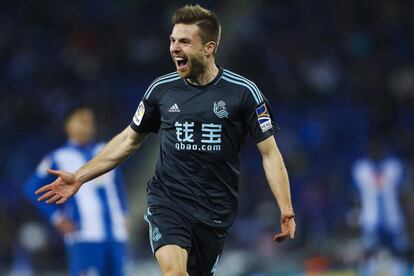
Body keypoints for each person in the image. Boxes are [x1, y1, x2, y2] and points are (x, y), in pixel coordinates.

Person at [35, 5, 295, 276]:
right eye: (172, 40)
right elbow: (128, 140)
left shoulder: (243, 93)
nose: (174, 48)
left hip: (215, 210)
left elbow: (270, 154)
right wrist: (80, 176)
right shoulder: (161, 90)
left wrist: (286, 209)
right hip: (168, 201)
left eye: (184, 41)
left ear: (209, 48)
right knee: (174, 273)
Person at [25, 107, 129, 276]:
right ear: (69, 125)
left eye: (90, 121)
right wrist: (57, 218)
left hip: (116, 235)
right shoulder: (58, 156)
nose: (87, 125)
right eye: (82, 120)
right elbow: (31, 187)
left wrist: (124, 212)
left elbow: (118, 186)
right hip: (84, 236)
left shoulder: (106, 150)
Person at [351, 138, 409, 275]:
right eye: (373, 149)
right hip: (370, 218)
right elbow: (356, 196)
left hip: (393, 217)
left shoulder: (394, 167)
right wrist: (356, 216)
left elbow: (403, 194)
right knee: (369, 252)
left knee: (398, 252)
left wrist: (408, 216)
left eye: (378, 149)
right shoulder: (361, 169)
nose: (375, 152)